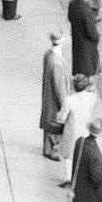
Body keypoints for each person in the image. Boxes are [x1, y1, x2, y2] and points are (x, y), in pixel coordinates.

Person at [58, 74, 100, 184]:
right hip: (85, 128)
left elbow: (62, 118)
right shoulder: (92, 98)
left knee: (69, 154)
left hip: (72, 130)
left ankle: (69, 178)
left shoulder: (69, 100)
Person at [40, 29, 70, 161]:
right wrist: (64, 104)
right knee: (55, 124)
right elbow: (59, 86)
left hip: (48, 96)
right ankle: (53, 149)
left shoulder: (48, 55)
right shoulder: (56, 62)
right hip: (54, 99)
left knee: (49, 122)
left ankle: (47, 148)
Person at [68, 0, 101, 78]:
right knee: (87, 67)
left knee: (79, 63)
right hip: (86, 44)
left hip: (77, 39)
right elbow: (91, 33)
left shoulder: (73, 4)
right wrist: (97, 36)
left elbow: (70, 18)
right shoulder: (86, 11)